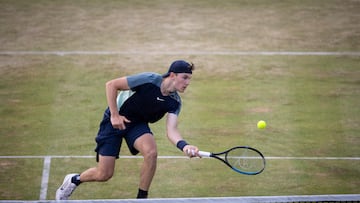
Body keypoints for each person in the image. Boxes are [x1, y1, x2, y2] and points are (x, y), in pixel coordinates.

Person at [56, 60, 200, 200]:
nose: (187, 83)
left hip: (137, 124)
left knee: (151, 153)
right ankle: (75, 179)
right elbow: (111, 85)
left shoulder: (175, 102)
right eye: (185, 77)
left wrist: (184, 146)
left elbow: (171, 131)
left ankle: (141, 198)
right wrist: (114, 115)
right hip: (114, 121)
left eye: (189, 79)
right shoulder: (150, 79)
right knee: (104, 174)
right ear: (172, 75)